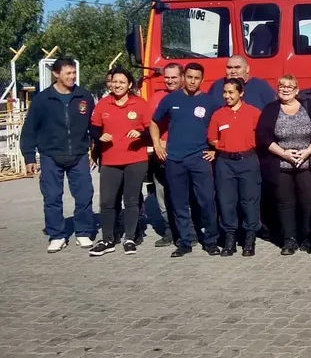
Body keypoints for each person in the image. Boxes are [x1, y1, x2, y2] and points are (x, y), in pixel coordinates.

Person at [20, 57, 97, 253]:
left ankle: (83, 232)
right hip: (50, 156)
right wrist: (29, 157)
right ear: (56, 74)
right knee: (52, 197)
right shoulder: (42, 100)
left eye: (74, 73)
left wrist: (95, 150)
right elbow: (29, 130)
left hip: (79, 154)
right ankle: (57, 235)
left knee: (84, 195)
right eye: (68, 73)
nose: (72, 76)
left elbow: (94, 126)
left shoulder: (84, 96)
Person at [150, 62, 222, 258]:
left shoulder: (210, 102)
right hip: (174, 159)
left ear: (202, 80)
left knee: (207, 201)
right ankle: (184, 242)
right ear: (184, 77)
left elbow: (221, 125)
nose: (192, 81)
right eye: (189, 77)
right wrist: (157, 145)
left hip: (200, 159)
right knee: (179, 203)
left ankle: (211, 241)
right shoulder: (170, 99)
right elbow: (154, 122)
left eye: (196, 78)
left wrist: (215, 150)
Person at [257, 75, 311, 256]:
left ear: (297, 90)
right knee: (285, 203)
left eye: (290, 86)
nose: (285, 89)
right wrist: (284, 153)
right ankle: (290, 239)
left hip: (306, 162)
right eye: (282, 86)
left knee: (309, 201)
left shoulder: (308, 106)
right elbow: (263, 136)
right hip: (280, 163)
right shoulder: (271, 109)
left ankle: (308, 237)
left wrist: (307, 151)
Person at [88, 68, 151, 256]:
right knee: (107, 201)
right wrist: (100, 136)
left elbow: (150, 131)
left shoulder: (140, 104)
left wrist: (140, 134)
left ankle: (130, 238)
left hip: (136, 159)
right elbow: (93, 129)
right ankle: (108, 239)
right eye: (114, 82)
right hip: (110, 160)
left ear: (129, 84)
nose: (117, 85)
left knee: (131, 200)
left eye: (122, 82)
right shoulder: (103, 104)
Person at [208, 78, 263, 257]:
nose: (227, 96)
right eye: (225, 92)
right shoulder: (218, 115)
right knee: (226, 201)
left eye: (231, 92)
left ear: (241, 93)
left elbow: (262, 136)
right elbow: (212, 138)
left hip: (248, 161)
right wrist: (223, 146)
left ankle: (250, 238)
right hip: (225, 163)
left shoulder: (253, 113)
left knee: (250, 201)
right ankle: (229, 239)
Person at [146, 62, 182, 247]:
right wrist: (157, 144)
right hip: (161, 153)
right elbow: (149, 123)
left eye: (174, 77)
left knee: (184, 194)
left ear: (182, 78)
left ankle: (187, 230)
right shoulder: (156, 98)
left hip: (183, 154)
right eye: (167, 77)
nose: (170, 81)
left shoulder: (189, 97)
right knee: (162, 194)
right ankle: (169, 230)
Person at [209, 55, 276, 110]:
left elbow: (274, 109)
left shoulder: (261, 87)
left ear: (247, 69)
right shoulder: (217, 86)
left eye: (237, 67)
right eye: (229, 68)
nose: (233, 71)